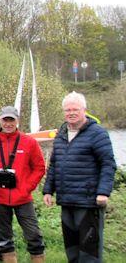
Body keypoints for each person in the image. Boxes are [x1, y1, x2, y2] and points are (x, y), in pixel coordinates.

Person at [43, 92, 115, 263]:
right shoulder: (61, 134)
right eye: (67, 110)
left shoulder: (97, 133)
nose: (71, 113)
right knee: (72, 250)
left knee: (89, 252)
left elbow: (108, 164)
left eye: (75, 109)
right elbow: (54, 164)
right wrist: (48, 190)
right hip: (66, 201)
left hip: (89, 202)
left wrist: (103, 192)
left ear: (84, 110)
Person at [0, 106, 46, 263]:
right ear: (0, 120)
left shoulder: (29, 142)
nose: (8, 124)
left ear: (17, 121)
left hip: (23, 198)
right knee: (4, 240)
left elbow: (39, 168)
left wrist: (26, 188)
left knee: (34, 236)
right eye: (5, 120)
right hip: (0, 198)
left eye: (12, 120)